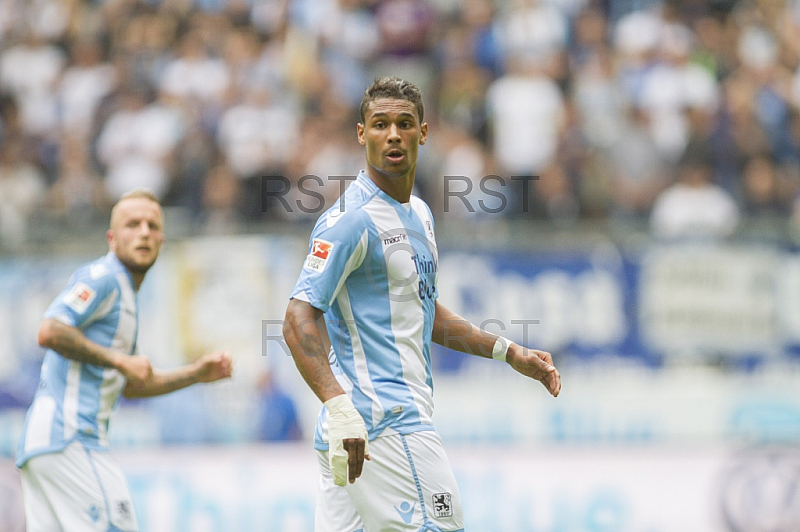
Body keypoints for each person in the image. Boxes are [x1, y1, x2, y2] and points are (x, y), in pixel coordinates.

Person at [283, 77, 561, 531]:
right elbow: (297, 319)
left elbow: (424, 311)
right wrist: (339, 406)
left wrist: (509, 352)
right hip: (383, 421)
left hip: (360, 430)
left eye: (404, 123)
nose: (392, 134)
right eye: (380, 124)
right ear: (361, 134)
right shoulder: (350, 221)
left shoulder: (421, 214)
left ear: (423, 133)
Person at [16, 189, 233, 532]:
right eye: (133, 224)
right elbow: (49, 330)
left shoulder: (126, 296)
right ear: (112, 238)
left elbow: (131, 386)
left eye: (152, 225)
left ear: (162, 238)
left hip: (46, 445)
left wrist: (196, 374)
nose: (144, 232)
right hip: (71, 438)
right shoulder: (104, 278)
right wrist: (120, 360)